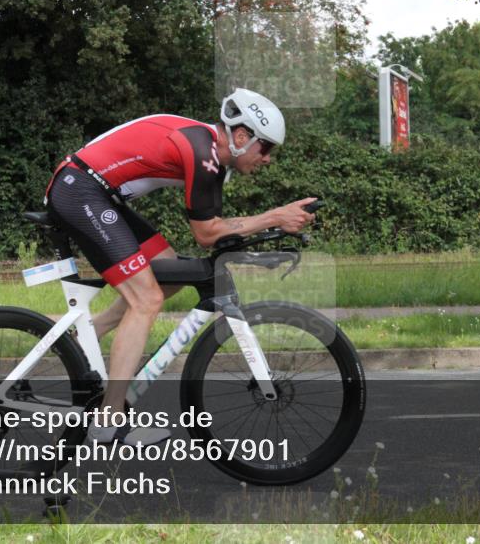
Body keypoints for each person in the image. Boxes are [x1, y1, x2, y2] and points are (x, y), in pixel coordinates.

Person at [43, 88, 317, 445]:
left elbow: (218, 228)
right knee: (147, 299)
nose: (267, 159)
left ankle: (87, 336)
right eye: (265, 148)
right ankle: (108, 421)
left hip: (97, 192)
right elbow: (207, 234)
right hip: (80, 190)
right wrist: (274, 217)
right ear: (240, 136)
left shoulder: (213, 158)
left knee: (169, 271)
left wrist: (268, 229)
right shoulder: (202, 152)